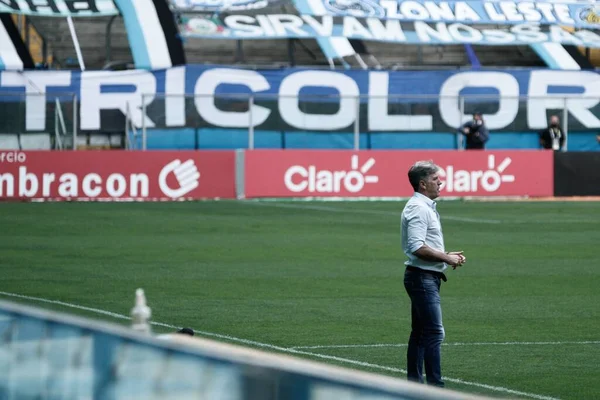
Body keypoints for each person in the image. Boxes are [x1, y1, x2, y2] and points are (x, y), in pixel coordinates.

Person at [400, 160, 466, 387]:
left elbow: (422, 245)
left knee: (420, 333)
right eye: (436, 180)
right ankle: (435, 389)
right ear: (423, 183)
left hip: (424, 276)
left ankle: (415, 386)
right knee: (434, 333)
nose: (441, 183)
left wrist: (445, 254)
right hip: (422, 278)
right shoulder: (419, 208)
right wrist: (446, 258)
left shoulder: (423, 206)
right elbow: (417, 247)